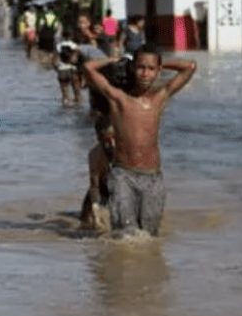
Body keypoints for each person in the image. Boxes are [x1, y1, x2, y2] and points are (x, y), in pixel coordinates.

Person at [83, 45, 197, 236]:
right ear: (132, 68)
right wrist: (116, 61)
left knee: (149, 236)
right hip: (123, 176)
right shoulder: (118, 99)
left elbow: (190, 67)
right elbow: (88, 68)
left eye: (151, 69)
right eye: (140, 67)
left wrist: (159, 62)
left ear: (158, 71)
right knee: (126, 236)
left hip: (152, 177)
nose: (145, 73)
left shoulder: (159, 98)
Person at [79, 120, 115, 232]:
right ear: (99, 138)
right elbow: (94, 185)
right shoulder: (94, 154)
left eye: (113, 138)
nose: (111, 143)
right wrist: (95, 207)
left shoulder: (126, 147)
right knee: (87, 208)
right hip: (105, 185)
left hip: (125, 184)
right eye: (107, 140)